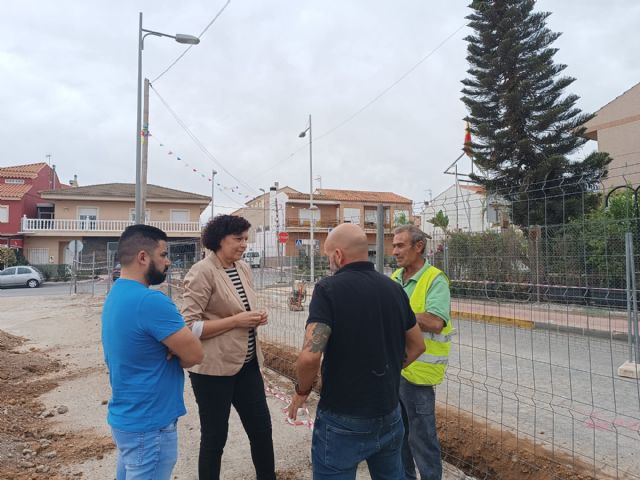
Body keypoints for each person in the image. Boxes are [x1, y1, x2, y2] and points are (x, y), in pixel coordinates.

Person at [288, 223, 425, 480]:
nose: (329, 262)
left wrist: (301, 391)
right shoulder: (394, 289)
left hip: (343, 417)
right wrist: (391, 368)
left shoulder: (328, 290)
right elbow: (418, 345)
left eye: (329, 256)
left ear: (338, 255)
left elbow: (309, 357)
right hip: (388, 412)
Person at [102, 224, 204, 480]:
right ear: (143, 257)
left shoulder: (116, 294)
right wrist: (174, 347)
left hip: (128, 418)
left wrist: (171, 346)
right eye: (163, 254)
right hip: (151, 424)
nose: (168, 261)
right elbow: (194, 355)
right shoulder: (151, 301)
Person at [181, 214, 276, 480]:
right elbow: (189, 327)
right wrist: (236, 321)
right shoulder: (202, 271)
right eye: (238, 239)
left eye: (246, 238)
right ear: (219, 240)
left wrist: (256, 316)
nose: (244, 244)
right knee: (214, 438)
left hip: (247, 365)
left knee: (262, 431)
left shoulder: (243, 267)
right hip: (213, 371)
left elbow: (242, 309)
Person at [391, 225, 452, 480]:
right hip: (397, 368)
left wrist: (398, 314)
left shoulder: (435, 279)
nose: (395, 251)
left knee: (422, 439)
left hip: (420, 374)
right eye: (393, 246)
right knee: (399, 436)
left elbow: (436, 321)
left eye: (400, 245)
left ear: (419, 246)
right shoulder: (395, 277)